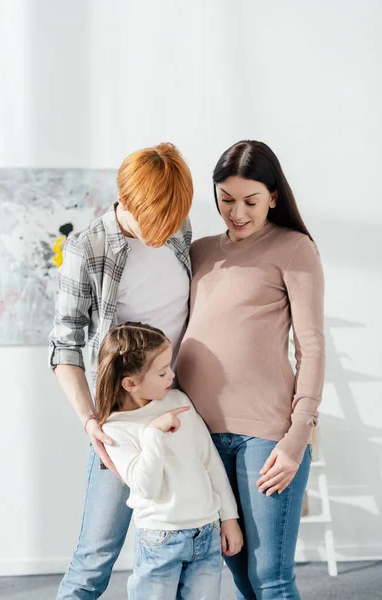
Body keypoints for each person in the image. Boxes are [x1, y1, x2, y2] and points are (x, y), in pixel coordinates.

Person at [177, 140, 325, 600]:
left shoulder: (294, 248)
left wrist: (297, 437)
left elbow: (312, 346)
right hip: (200, 435)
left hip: (267, 436)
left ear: (274, 197)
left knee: (271, 579)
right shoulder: (199, 251)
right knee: (239, 575)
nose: (236, 212)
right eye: (226, 199)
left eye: (250, 201)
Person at [49, 143, 193, 599]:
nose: (164, 232)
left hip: (182, 401)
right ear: (126, 201)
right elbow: (64, 344)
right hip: (125, 417)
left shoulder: (177, 228)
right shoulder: (88, 246)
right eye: (156, 222)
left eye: (172, 222)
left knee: (191, 539)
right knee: (97, 555)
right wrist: (91, 419)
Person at [97, 321, 243, 600]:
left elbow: (210, 462)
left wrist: (229, 518)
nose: (172, 375)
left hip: (206, 533)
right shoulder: (115, 429)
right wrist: (153, 433)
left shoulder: (178, 400)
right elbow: (145, 487)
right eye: (163, 371)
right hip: (160, 539)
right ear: (130, 383)